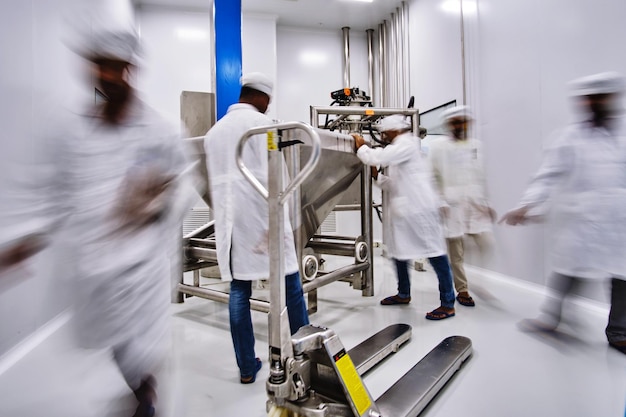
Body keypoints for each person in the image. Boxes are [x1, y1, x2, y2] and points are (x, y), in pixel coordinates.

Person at [1, 28, 195, 416]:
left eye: (113, 68)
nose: (105, 76)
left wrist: (153, 202)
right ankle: (141, 389)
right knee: (113, 340)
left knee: (141, 346)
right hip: (95, 265)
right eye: (98, 68)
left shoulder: (159, 131)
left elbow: (184, 184)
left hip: (142, 267)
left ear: (129, 70)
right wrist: (26, 241)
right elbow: (55, 194)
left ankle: (146, 397)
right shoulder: (74, 131)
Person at [499, 72, 626, 355]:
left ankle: (619, 332)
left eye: (602, 97)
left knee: (622, 279)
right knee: (568, 272)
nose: (596, 103)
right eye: (591, 98)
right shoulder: (569, 137)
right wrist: (527, 204)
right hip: (583, 222)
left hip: (619, 221)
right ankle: (551, 319)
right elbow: (547, 175)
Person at [204, 72, 310, 383]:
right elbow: (281, 173)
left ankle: (247, 368)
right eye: (268, 100)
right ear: (260, 97)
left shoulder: (214, 133)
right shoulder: (266, 127)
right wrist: (289, 216)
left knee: (239, 291)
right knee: (290, 284)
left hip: (231, 222)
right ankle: (303, 353)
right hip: (265, 216)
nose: (268, 105)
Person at [353, 115, 456, 320]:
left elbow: (377, 157)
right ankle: (403, 293)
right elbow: (394, 184)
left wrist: (360, 145)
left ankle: (448, 303)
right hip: (406, 214)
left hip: (421, 211)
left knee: (435, 254)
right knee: (399, 252)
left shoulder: (406, 144)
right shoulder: (401, 150)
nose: (383, 136)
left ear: (394, 130)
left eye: (385, 132)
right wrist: (376, 176)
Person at [428, 106, 496, 307]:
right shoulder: (438, 147)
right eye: (456, 122)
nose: (459, 125)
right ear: (449, 125)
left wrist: (486, 203)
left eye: (463, 121)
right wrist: (440, 201)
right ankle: (463, 289)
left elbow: (480, 176)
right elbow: (432, 176)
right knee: (456, 253)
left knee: (487, 244)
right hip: (451, 205)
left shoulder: (476, 146)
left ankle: (476, 281)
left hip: (475, 205)